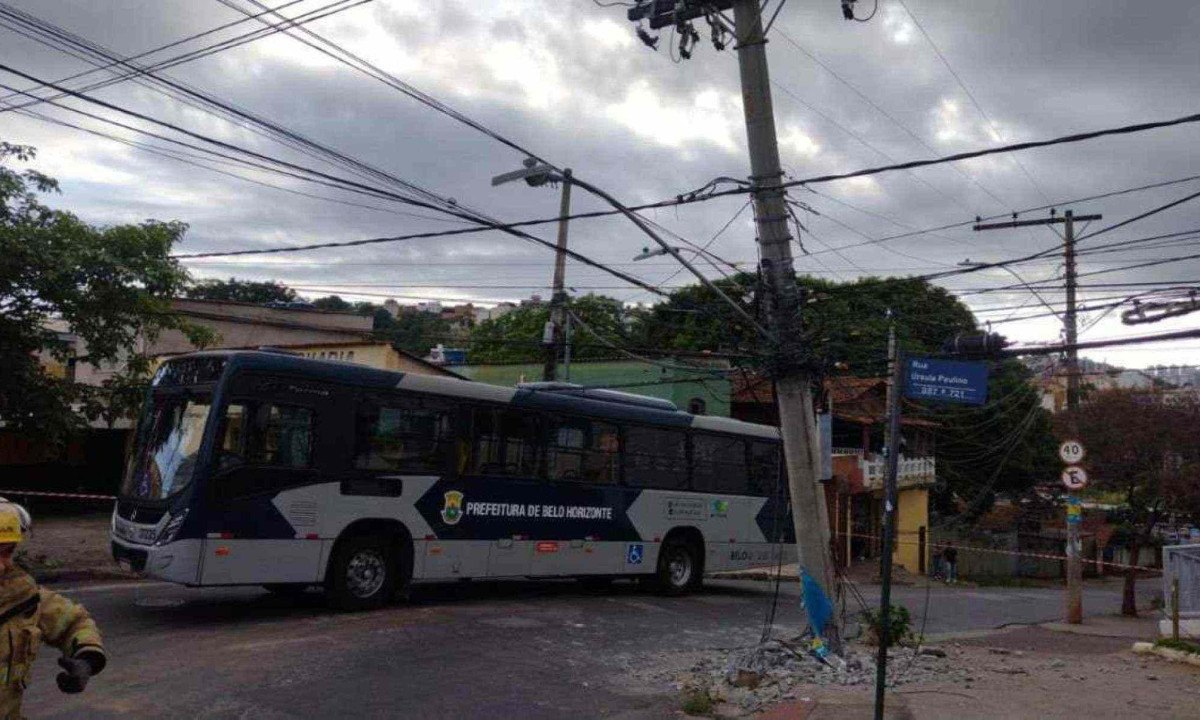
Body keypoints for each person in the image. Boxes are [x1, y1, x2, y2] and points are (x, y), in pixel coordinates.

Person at [0, 499, 106, 719]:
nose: (2, 565)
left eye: (7, 552)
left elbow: (74, 622)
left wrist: (87, 658)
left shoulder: (23, 595)